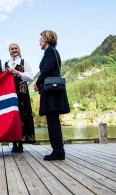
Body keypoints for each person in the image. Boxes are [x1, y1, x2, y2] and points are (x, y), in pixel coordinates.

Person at [34, 30, 70, 161]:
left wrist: (38, 83)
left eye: (41, 39)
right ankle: (59, 151)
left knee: (52, 122)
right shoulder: (53, 51)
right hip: (54, 91)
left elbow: (46, 70)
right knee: (53, 121)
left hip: (51, 92)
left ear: (46, 39)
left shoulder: (50, 51)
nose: (39, 42)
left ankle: (58, 152)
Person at [5, 43, 36, 152]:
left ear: (19, 49)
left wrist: (17, 72)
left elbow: (30, 77)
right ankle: (14, 143)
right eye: (12, 49)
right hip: (9, 93)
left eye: (16, 48)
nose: (14, 50)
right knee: (12, 115)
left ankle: (21, 143)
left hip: (22, 92)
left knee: (23, 114)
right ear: (9, 51)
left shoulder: (24, 62)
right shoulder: (6, 63)